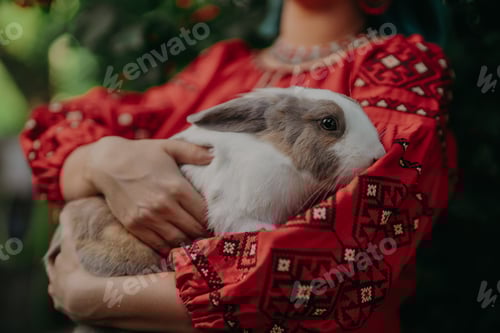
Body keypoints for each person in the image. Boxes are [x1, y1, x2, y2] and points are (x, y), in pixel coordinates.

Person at [20, 0, 457, 332]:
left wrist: (93, 295)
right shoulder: (220, 67)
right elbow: (69, 125)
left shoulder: (395, 71)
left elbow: (330, 261)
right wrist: (101, 158)